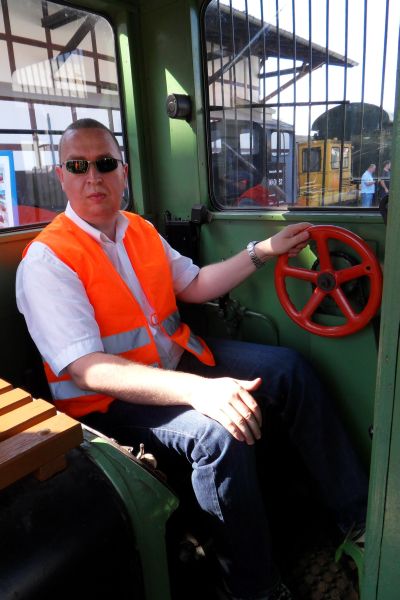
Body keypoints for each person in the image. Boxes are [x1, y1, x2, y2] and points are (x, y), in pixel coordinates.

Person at [16, 119, 368, 600]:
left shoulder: (137, 229)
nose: (92, 177)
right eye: (78, 166)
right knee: (217, 435)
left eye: (103, 164)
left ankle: (357, 517)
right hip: (104, 407)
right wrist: (201, 391)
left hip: (175, 364)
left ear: (123, 171)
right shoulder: (47, 260)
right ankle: (253, 585)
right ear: (62, 176)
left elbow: (196, 284)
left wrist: (262, 250)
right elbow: (86, 369)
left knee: (289, 370)